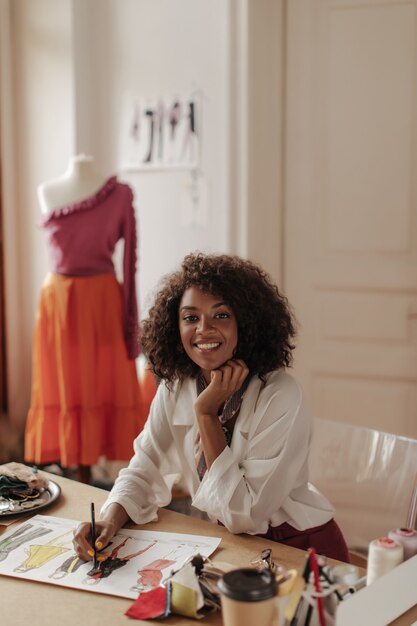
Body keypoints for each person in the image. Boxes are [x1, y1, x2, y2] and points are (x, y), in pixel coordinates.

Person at [73, 253, 349, 562]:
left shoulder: (281, 396)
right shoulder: (175, 387)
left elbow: (243, 515)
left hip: (300, 549)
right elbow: (144, 467)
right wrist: (109, 519)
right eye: (191, 317)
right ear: (175, 328)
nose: (204, 329)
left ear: (245, 323)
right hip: (231, 546)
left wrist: (206, 415)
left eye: (221, 316)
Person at [24, 154, 155, 485]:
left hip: (102, 304)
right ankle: (77, 466)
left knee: (99, 383)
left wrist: (131, 323)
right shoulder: (47, 190)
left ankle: (101, 474)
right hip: (59, 307)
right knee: (69, 386)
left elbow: (130, 261)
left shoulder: (120, 195)